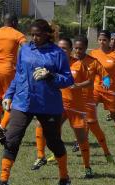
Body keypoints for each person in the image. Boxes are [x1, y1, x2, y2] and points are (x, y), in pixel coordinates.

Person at [0, 19, 73, 185]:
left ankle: (64, 177)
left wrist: (51, 76)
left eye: (38, 35)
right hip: (24, 102)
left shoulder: (57, 53)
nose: (34, 38)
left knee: (54, 142)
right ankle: (3, 180)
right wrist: (9, 94)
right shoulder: (24, 50)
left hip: (48, 105)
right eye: (32, 34)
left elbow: (68, 79)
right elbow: (19, 74)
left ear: (47, 34)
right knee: (12, 139)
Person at [32, 38, 94, 178]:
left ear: (70, 50)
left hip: (76, 107)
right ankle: (40, 156)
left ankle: (87, 167)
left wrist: (78, 86)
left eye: (64, 48)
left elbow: (90, 83)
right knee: (41, 125)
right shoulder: (52, 64)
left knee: (81, 138)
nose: (61, 50)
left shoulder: (79, 64)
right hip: (57, 105)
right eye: (59, 47)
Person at [89, 30, 115, 155]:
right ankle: (79, 142)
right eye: (100, 40)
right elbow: (91, 70)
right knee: (88, 114)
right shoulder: (93, 53)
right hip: (96, 89)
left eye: (105, 40)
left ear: (109, 41)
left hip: (112, 91)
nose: (102, 42)